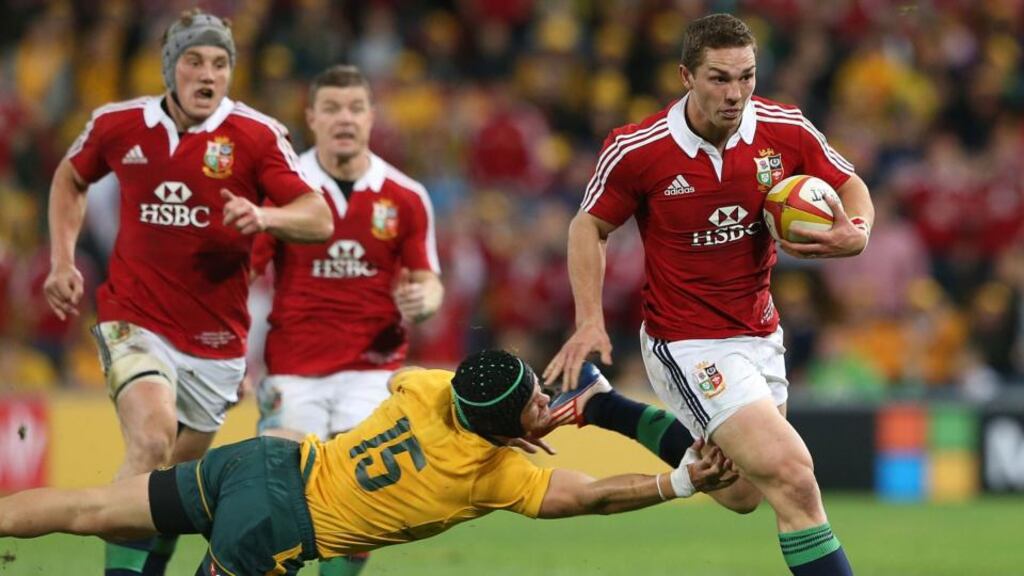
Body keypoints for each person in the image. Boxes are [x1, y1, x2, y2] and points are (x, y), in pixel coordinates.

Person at [543, 13, 872, 576]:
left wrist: (856, 233)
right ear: (685, 76)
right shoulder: (638, 148)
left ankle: (602, 404)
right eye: (720, 78)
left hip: (760, 330)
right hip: (688, 341)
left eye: (747, 76)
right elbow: (587, 227)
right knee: (794, 476)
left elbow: (849, 184)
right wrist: (590, 321)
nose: (737, 93)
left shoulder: (784, 126)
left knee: (742, 493)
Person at [0, 350, 737, 575]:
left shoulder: (422, 388)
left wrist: (510, 416)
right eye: (538, 395)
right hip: (279, 523)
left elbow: (441, 383)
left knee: (90, 508)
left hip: (264, 461)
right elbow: (592, 498)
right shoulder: (493, 475)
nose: (547, 395)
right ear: (511, 424)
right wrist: (676, 482)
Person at [42, 9, 333, 576]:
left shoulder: (256, 135)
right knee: (151, 439)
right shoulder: (117, 123)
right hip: (134, 316)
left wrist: (266, 216)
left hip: (215, 340)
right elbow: (70, 177)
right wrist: (61, 260)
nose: (208, 74)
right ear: (170, 68)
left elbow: (317, 217)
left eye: (220, 63)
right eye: (195, 61)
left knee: (177, 485)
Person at [250, 63, 443, 576]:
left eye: (356, 108)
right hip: (293, 368)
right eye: (332, 108)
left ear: (371, 117)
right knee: (282, 502)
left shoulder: (405, 196)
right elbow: (245, 273)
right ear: (311, 117)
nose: (345, 118)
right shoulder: (284, 192)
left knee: (357, 498)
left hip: (372, 369)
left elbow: (430, 281)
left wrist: (423, 301)